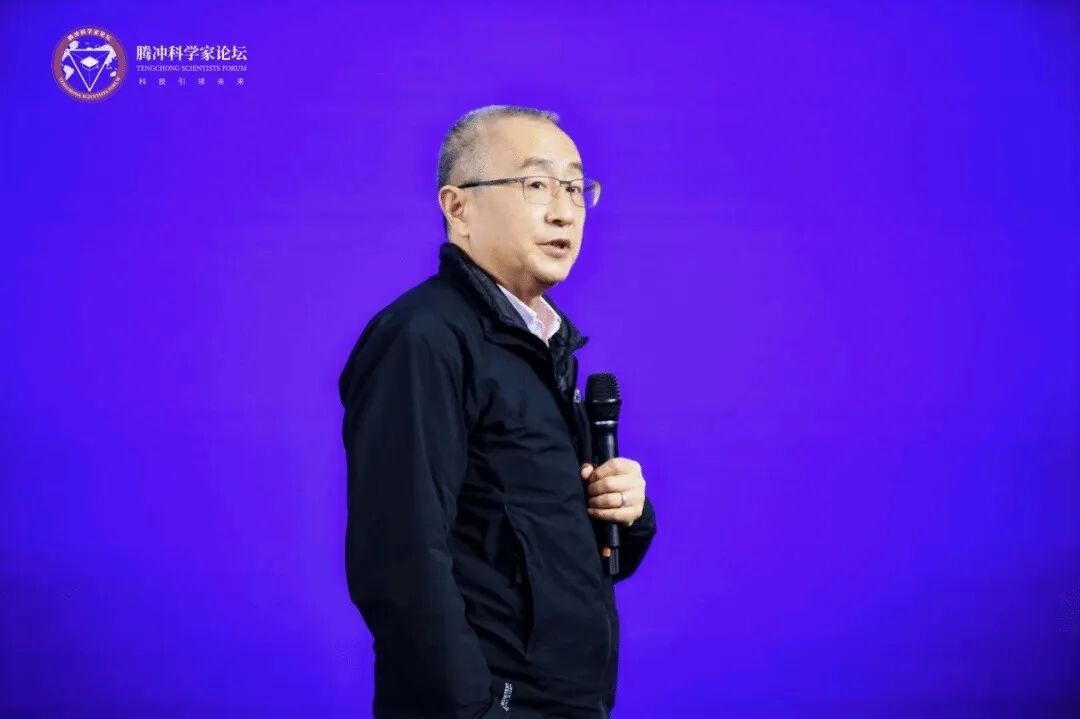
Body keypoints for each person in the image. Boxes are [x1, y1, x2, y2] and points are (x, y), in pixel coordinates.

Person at [339, 105, 657, 718]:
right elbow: (399, 559)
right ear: (458, 207)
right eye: (536, 184)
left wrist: (626, 513)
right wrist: (477, 711)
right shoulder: (422, 339)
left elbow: (547, 556)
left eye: (575, 188)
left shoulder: (541, 345)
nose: (564, 211)